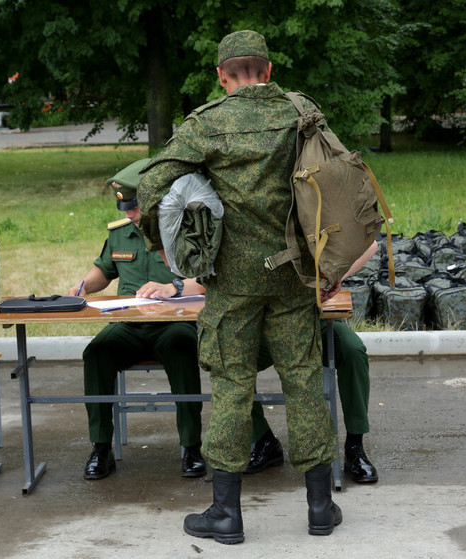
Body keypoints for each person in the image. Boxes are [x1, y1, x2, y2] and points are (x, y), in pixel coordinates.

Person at [138, 30, 340, 544]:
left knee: (231, 387)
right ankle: (320, 506)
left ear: (223, 77)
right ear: (268, 71)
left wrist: (166, 246)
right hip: (295, 274)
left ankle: (225, 514)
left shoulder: (207, 123)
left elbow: (151, 185)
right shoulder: (301, 111)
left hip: (231, 281)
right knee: (302, 381)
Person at [67, 158, 206, 480]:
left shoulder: (184, 231)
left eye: (135, 207)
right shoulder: (121, 234)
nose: (129, 214)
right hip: (128, 324)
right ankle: (101, 448)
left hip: (176, 324)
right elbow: (103, 272)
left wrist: (172, 287)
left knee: (183, 348)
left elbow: (208, 280)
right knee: (97, 353)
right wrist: (83, 287)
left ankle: (191, 447)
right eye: (125, 208)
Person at [249, 242, 379, 484]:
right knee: (230, 362)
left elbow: (369, 244)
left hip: (312, 318)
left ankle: (354, 446)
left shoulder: (310, 207)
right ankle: (263, 439)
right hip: (264, 325)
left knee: (353, 350)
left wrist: (334, 274)